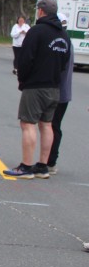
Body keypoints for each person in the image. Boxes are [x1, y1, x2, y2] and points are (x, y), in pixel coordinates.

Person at [3, 0, 71, 179]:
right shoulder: (64, 36)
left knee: (28, 124)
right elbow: (65, 62)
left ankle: (26, 166)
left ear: (41, 11)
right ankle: (42, 165)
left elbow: (25, 58)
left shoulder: (37, 31)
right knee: (46, 124)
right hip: (54, 86)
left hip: (36, 85)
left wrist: (23, 79)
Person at [47, 13, 74, 175]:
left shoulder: (62, 42)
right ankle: (49, 160)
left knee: (52, 126)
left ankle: (51, 161)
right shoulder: (67, 41)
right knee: (53, 125)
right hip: (64, 92)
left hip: (58, 90)